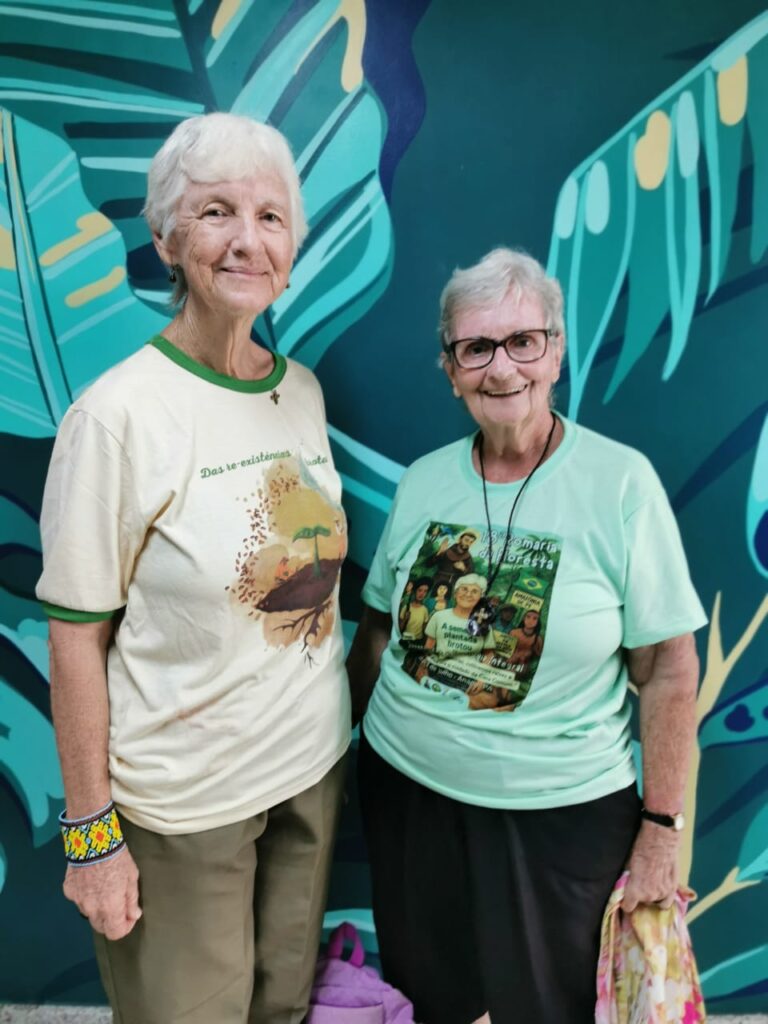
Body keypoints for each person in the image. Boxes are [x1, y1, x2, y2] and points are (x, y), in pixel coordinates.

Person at [36, 113, 350, 1024]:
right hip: (183, 807)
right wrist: (93, 840)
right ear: (168, 237)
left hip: (309, 772)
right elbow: (73, 641)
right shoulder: (117, 419)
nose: (248, 239)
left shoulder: (301, 392)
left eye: (271, 215)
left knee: (281, 1011)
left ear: (293, 245)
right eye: (216, 212)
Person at [347, 248, 706, 1024]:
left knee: (550, 1008)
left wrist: (660, 833)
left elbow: (671, 672)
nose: (501, 367)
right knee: (429, 996)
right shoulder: (423, 481)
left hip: (560, 817)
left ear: (557, 349)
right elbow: (376, 631)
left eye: (522, 341)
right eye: (476, 347)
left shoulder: (621, 484)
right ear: (450, 369)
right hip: (409, 798)